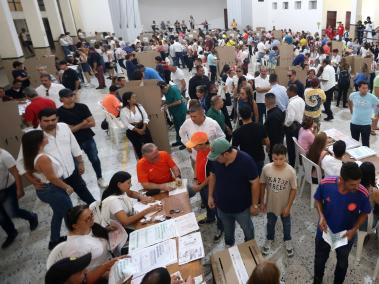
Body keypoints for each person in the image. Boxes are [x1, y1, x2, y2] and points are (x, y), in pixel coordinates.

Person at [17, 108, 95, 206]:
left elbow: (74, 145)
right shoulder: (33, 136)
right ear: (39, 120)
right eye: (46, 121)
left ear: (57, 118)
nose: (50, 123)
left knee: (86, 194)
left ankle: (97, 211)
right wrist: (32, 180)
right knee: (65, 206)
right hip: (54, 181)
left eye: (53, 120)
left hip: (71, 171)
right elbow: (20, 161)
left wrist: (80, 162)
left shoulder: (64, 127)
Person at [313, 162, 371, 284]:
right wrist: (321, 216)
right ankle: (317, 280)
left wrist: (354, 229)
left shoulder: (362, 192)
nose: (357, 187)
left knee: (342, 263)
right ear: (342, 180)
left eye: (358, 183)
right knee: (319, 259)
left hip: (345, 236)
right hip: (325, 231)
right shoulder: (326, 184)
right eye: (353, 184)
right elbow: (317, 200)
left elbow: (365, 213)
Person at [21, 130, 74, 250]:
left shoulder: (34, 155)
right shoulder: (42, 158)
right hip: (53, 189)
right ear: (39, 142)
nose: (47, 136)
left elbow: (28, 171)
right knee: (69, 213)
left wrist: (35, 181)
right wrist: (67, 187)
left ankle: (54, 240)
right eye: (44, 136)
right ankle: (75, 237)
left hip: (49, 189)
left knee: (59, 213)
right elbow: (52, 178)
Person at [208, 138, 260, 247]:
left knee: (248, 229)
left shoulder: (246, 161)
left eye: (217, 157)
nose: (215, 160)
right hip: (222, 206)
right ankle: (229, 245)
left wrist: (254, 205)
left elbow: (255, 182)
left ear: (226, 154)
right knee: (228, 230)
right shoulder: (216, 160)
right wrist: (210, 196)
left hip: (242, 208)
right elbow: (212, 175)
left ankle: (250, 246)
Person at [57, 89, 107, 188]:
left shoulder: (82, 107)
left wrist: (74, 127)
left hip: (87, 137)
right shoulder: (59, 112)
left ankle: (100, 177)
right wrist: (83, 123)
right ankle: (80, 183)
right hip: (71, 141)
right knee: (75, 164)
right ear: (61, 99)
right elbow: (68, 131)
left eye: (72, 95)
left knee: (95, 159)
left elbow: (92, 123)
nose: (71, 98)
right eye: (68, 96)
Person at [260, 144, 297, 257]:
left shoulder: (290, 171)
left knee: (286, 224)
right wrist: (262, 201)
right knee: (270, 223)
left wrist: (288, 206)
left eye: (281, 159)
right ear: (271, 156)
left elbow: (294, 189)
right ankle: (269, 238)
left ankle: (287, 239)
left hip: (285, 205)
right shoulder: (266, 168)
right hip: (271, 204)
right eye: (275, 158)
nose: (278, 162)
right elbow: (262, 184)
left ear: (285, 157)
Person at [185, 132, 223, 240]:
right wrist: (196, 179)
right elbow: (197, 164)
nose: (193, 148)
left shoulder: (212, 155)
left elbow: (212, 176)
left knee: (215, 206)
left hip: (211, 186)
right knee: (207, 203)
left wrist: (201, 186)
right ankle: (210, 218)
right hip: (201, 184)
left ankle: (221, 227)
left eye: (195, 145)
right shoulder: (200, 151)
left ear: (202, 144)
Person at [0, 148, 38, 249]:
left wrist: (20, 189)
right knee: (1, 216)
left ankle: (32, 217)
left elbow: (15, 172)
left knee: (12, 211)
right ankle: (11, 233)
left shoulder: (4, 155)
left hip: (8, 188)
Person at [232, 106, 269, 175]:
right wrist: (267, 148)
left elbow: (234, 149)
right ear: (251, 114)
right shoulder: (260, 127)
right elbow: (267, 142)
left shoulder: (237, 132)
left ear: (240, 116)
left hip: (246, 159)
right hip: (259, 157)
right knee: (258, 176)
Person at [45, 253, 125, 284]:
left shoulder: (80, 281)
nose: (86, 270)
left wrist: (107, 265)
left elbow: (89, 277)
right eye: (80, 272)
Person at [120, 91, 153, 159]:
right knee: (138, 148)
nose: (136, 99)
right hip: (132, 131)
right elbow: (126, 124)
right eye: (133, 97)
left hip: (143, 127)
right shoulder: (123, 111)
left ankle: (153, 158)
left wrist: (144, 127)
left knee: (150, 144)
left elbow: (145, 116)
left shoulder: (139, 106)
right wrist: (137, 130)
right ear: (128, 100)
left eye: (135, 97)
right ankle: (143, 162)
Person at [348, 81, 379, 147]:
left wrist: (376, 116)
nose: (365, 90)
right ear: (359, 88)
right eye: (363, 88)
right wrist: (351, 111)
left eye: (366, 88)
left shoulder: (372, 97)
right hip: (354, 123)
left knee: (365, 144)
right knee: (354, 143)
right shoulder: (353, 95)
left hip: (366, 125)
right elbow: (349, 101)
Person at [158, 81, 187, 149]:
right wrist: (163, 103)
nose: (162, 93)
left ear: (164, 87)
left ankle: (186, 143)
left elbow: (179, 101)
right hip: (174, 111)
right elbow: (169, 99)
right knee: (177, 127)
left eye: (162, 91)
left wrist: (167, 106)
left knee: (182, 127)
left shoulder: (174, 89)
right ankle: (179, 141)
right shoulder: (166, 90)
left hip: (180, 111)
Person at [284, 85, 305, 167]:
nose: (286, 92)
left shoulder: (292, 103)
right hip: (299, 125)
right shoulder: (301, 100)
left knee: (290, 147)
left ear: (292, 92)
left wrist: (285, 125)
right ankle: (299, 162)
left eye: (287, 90)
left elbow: (290, 119)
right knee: (297, 145)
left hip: (292, 128)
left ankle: (291, 164)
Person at [264, 93, 285, 161]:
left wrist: (268, 146)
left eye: (265, 101)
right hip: (279, 143)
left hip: (274, 146)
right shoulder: (278, 110)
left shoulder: (272, 116)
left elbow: (272, 135)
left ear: (267, 101)